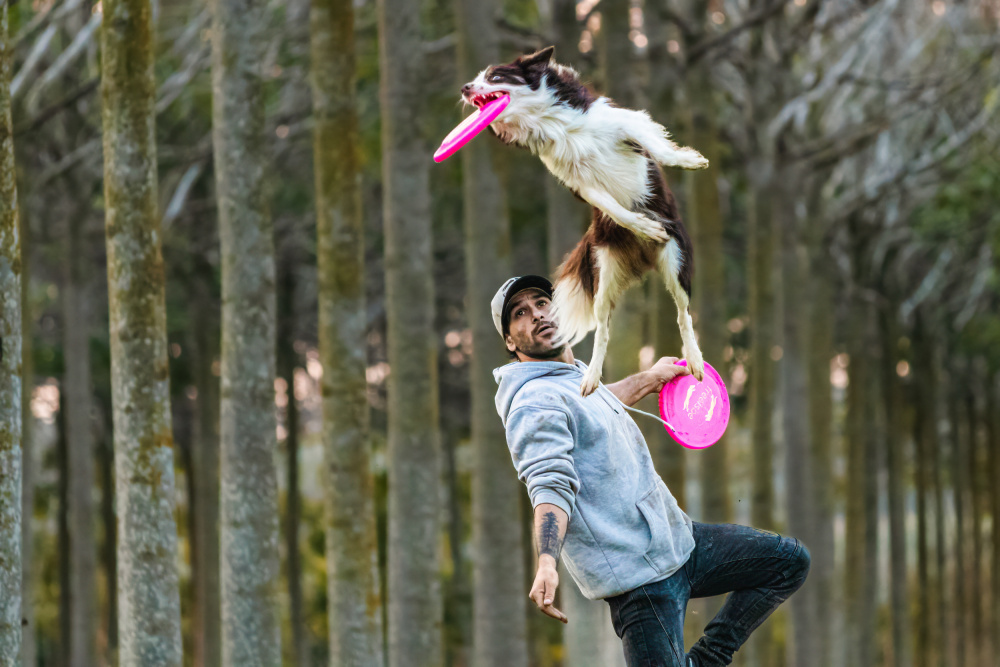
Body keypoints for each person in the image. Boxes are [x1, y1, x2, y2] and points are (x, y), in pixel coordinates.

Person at [491, 275, 810, 667]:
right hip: (641, 584)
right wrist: (545, 562)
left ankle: (708, 658)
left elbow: (593, 407)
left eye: (542, 302)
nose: (537, 315)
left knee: (789, 561)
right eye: (520, 313)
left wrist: (649, 379)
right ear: (510, 341)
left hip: (679, 543)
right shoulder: (534, 404)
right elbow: (550, 486)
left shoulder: (569, 379)